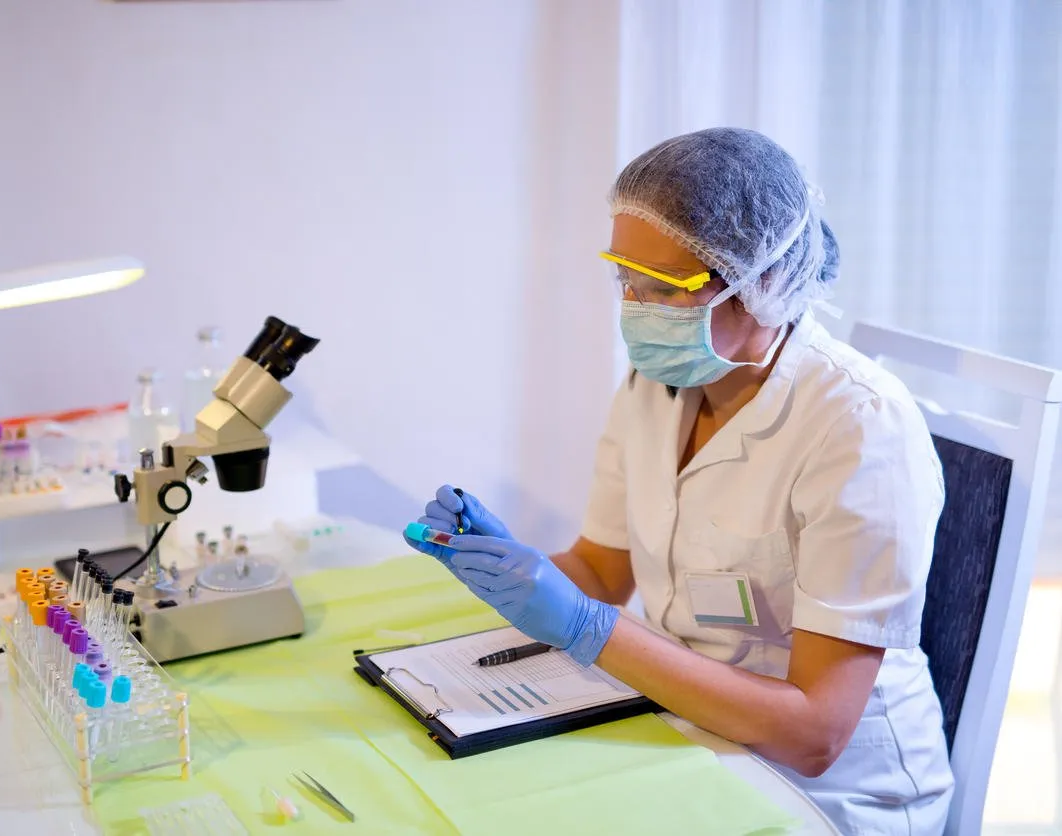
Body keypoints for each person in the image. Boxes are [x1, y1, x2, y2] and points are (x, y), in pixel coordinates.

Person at [405, 127, 953, 835]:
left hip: (828, 794)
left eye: (660, 288)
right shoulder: (656, 380)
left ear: (759, 283)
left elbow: (815, 735)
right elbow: (601, 572)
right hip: (687, 724)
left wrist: (584, 628)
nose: (632, 308)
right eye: (623, 277)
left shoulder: (859, 427)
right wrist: (509, 566)